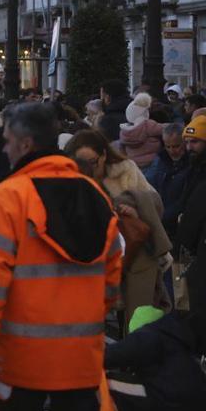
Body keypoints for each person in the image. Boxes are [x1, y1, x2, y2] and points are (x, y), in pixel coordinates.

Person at [0, 103, 121, 411]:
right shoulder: (94, 194)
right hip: (81, 358)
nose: (4, 148)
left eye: (7, 140)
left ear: (25, 144)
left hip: (22, 360)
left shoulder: (9, 198)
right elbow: (111, 276)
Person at [67, 128, 171, 324]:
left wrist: (135, 209)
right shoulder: (70, 179)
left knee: (137, 320)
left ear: (104, 155)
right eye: (80, 163)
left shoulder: (125, 170)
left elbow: (155, 204)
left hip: (135, 255)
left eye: (92, 162)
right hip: (95, 263)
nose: (87, 168)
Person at [105, 306, 206, 411]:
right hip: (192, 407)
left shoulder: (149, 336)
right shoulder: (174, 342)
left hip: (174, 398)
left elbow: (119, 353)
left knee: (106, 384)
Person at [150, 122, 191, 234]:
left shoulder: (192, 165)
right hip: (161, 221)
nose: (172, 150)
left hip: (177, 223)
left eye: (176, 146)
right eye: (168, 146)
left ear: (184, 142)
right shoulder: (160, 161)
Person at [119, 92, 165, 175]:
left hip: (133, 163)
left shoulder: (124, 130)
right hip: (151, 162)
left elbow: (122, 148)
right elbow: (164, 129)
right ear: (144, 112)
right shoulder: (147, 125)